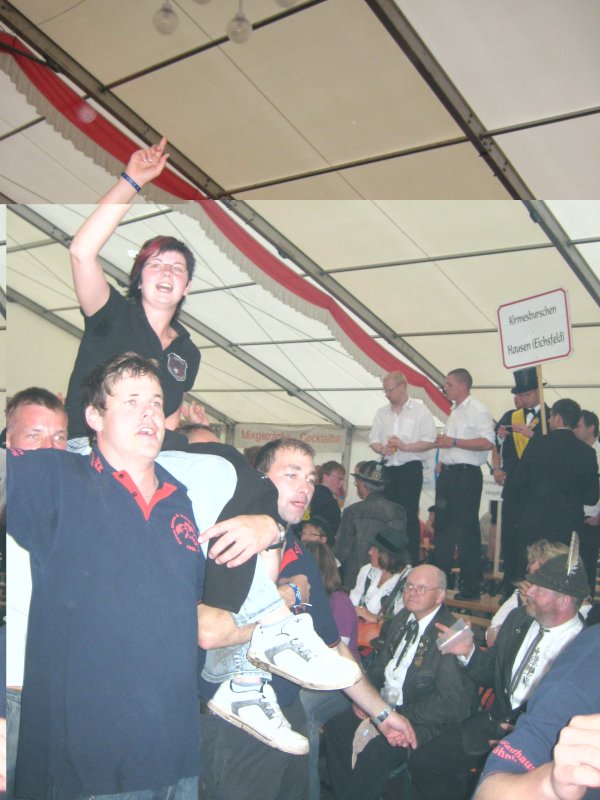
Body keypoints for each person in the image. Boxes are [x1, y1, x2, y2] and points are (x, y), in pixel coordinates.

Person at [7, 354, 207, 800]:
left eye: (155, 402)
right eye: (131, 401)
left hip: (178, 753)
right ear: (94, 417)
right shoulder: (56, 478)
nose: (149, 413)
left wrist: (266, 524)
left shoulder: (180, 499)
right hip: (96, 764)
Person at [197, 438, 415, 800]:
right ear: (260, 478)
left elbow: (332, 648)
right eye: (292, 474)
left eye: (311, 479)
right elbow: (209, 632)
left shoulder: (299, 552)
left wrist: (381, 712)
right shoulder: (231, 536)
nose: (305, 488)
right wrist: (289, 596)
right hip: (236, 722)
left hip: (287, 710)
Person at [408, 550, 589, 800]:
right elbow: (492, 671)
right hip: (492, 724)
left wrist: (521, 734)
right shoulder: (519, 619)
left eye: (540, 589)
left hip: (540, 742)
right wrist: (469, 652)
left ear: (564, 601)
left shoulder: (584, 649)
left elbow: (574, 719)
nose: (529, 593)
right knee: (424, 763)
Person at [65, 137, 202, 450]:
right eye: (155, 265)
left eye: (177, 268)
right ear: (138, 280)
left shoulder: (189, 352)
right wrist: (133, 181)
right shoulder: (110, 314)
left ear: (186, 288)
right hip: (86, 449)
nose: (166, 273)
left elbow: (169, 419)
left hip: (144, 457)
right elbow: (81, 252)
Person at [324, 564, 479, 800]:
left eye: (422, 588)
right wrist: (367, 700)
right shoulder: (402, 618)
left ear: (440, 595)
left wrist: (397, 713)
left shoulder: (451, 635)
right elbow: (379, 667)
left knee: (376, 752)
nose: (412, 592)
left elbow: (449, 704)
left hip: (422, 719)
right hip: (387, 705)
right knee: (338, 728)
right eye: (409, 586)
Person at [4, 388, 69, 800]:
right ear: (8, 440)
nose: (49, 448)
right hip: (11, 692)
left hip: (58, 698)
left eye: (59, 436)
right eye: (35, 435)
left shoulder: (74, 504)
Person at [475, 626, 600, 799]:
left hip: (509, 722)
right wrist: (550, 786)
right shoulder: (589, 661)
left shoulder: (575, 635)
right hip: (502, 724)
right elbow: (492, 792)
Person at [512, 398, 599, 577]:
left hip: (535, 520)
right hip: (567, 524)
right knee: (561, 576)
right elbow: (592, 497)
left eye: (550, 416)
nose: (549, 420)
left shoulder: (537, 444)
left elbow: (518, 482)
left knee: (533, 574)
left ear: (558, 418)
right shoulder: (587, 453)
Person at [300, 540, 358, 800]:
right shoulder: (305, 602)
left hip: (344, 685)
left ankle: (308, 792)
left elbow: (335, 658)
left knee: (304, 711)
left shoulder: (339, 602)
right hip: (313, 679)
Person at [434, 368, 495, 600]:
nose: (445, 388)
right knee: (443, 530)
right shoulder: (455, 411)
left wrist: (454, 442)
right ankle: (439, 584)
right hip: (449, 474)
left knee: (466, 531)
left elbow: (487, 442)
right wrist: (444, 460)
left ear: (462, 385)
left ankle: (471, 587)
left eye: (449, 384)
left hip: (466, 476)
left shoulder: (477, 409)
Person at [492, 367, 550, 590]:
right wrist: (501, 438)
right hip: (513, 486)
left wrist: (532, 436)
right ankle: (509, 585)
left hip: (537, 489)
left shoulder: (550, 417)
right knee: (510, 537)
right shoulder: (511, 416)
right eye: (520, 395)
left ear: (538, 392)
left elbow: (553, 450)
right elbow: (495, 444)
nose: (523, 399)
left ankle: (532, 585)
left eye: (527, 394)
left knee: (532, 540)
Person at [369, 371, 436, 564]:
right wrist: (381, 448)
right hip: (389, 469)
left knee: (408, 515)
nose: (387, 394)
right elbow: (373, 439)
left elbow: (429, 441)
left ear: (402, 387)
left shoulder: (420, 411)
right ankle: (387, 559)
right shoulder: (382, 413)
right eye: (385, 391)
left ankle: (410, 561)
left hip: (410, 469)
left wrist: (405, 446)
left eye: (390, 390)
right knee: (387, 514)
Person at [335, 461, 407, 591]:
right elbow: (398, 548)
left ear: (363, 484)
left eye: (357, 482)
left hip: (355, 579)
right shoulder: (398, 511)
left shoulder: (351, 511)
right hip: (386, 579)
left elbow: (342, 550)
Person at [486, 540, 568, 646]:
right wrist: (524, 609)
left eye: (540, 564)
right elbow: (492, 635)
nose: (532, 567)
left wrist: (529, 610)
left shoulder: (568, 604)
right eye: (532, 562)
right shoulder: (522, 593)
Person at [349, 528, 412, 623]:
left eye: (374, 549)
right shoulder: (367, 571)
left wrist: (368, 615)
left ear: (385, 555)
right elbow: (353, 602)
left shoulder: (407, 581)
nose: (369, 552)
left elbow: (400, 619)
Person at [575, 410, 600, 587]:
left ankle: (586, 601)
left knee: (587, 568)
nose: (574, 430)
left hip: (593, 518)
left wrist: (598, 518)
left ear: (591, 428)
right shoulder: (574, 452)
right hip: (573, 515)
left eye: (578, 426)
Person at [309, 461, 345, 543]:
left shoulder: (309, 494)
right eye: (339, 479)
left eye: (343, 479)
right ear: (325, 477)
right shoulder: (330, 501)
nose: (341, 483)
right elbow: (336, 529)